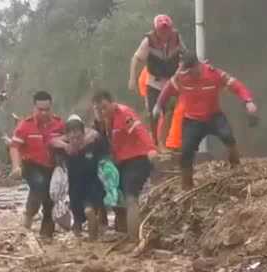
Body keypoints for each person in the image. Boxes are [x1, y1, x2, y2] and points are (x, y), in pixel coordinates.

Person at [154, 52, 258, 190]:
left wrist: (248, 101)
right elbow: (167, 89)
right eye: (186, 70)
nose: (189, 74)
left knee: (229, 138)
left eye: (192, 70)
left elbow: (236, 85)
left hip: (214, 116)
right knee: (186, 152)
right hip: (192, 120)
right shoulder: (181, 77)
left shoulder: (214, 74)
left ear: (198, 65)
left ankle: (235, 165)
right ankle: (187, 185)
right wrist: (159, 105)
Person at [92, 90, 157, 243]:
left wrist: (151, 149)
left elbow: (140, 131)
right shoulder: (101, 122)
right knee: (117, 197)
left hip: (137, 159)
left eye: (104, 107)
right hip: (119, 163)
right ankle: (123, 232)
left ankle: (135, 240)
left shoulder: (124, 113)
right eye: (97, 109)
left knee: (130, 198)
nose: (102, 112)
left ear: (112, 103)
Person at [9, 91, 65, 238]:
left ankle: (47, 234)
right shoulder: (25, 126)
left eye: (47, 109)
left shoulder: (59, 124)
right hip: (31, 165)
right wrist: (16, 167)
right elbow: (14, 147)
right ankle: (29, 215)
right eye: (40, 109)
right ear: (34, 108)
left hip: (52, 167)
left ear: (51, 107)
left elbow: (69, 141)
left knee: (50, 198)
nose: (44, 113)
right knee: (40, 184)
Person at [128, 14, 186, 151]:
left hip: (171, 82)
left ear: (171, 28)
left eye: (167, 29)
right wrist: (132, 79)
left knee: (169, 111)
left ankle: (162, 142)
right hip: (154, 82)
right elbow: (135, 59)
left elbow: (186, 54)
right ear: (156, 30)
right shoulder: (148, 41)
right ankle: (154, 143)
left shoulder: (176, 38)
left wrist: (186, 69)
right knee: (153, 113)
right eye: (161, 29)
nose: (164, 32)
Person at [50, 115, 108, 240]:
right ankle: (81, 242)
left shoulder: (92, 144)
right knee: (77, 219)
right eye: (71, 135)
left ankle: (93, 239)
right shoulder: (65, 149)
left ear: (83, 132)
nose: (75, 138)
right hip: (74, 188)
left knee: (89, 210)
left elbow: (97, 135)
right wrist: (66, 146)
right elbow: (51, 142)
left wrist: (87, 140)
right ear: (67, 136)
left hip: (93, 184)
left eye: (78, 134)